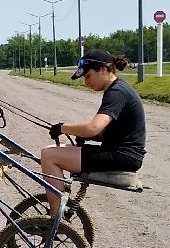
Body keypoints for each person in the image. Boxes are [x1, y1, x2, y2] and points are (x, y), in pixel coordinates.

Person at [40, 48, 145, 213]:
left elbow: (93, 128)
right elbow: (108, 131)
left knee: (49, 155)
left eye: (88, 76)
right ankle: (60, 203)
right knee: (52, 150)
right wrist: (89, 137)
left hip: (123, 156)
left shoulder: (117, 92)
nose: (86, 82)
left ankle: (55, 218)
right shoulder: (117, 88)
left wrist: (62, 127)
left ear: (103, 69)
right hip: (121, 153)